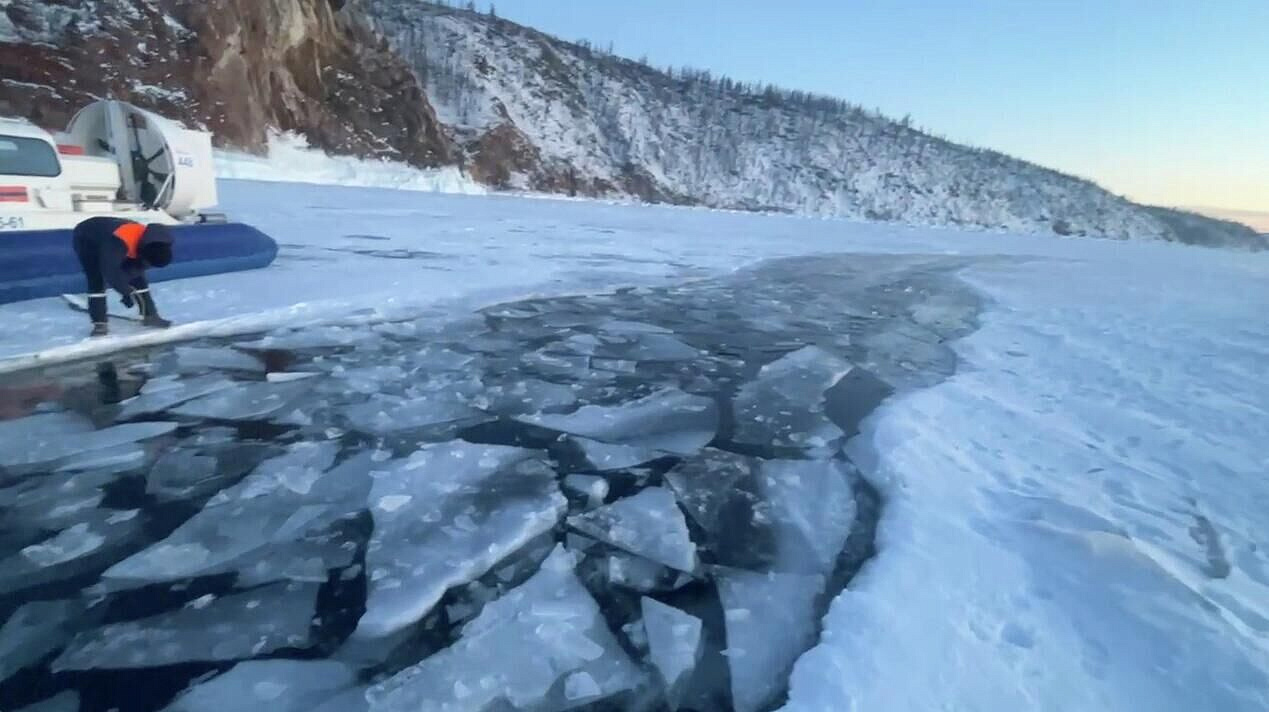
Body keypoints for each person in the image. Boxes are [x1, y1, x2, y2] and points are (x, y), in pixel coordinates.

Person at [72, 216, 174, 336]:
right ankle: (99, 324)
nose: (148, 267)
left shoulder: (158, 244)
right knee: (96, 278)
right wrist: (126, 292)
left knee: (139, 279)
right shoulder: (118, 242)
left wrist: (129, 287)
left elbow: (137, 270)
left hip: (115, 234)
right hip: (87, 237)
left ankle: (150, 316)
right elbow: (110, 271)